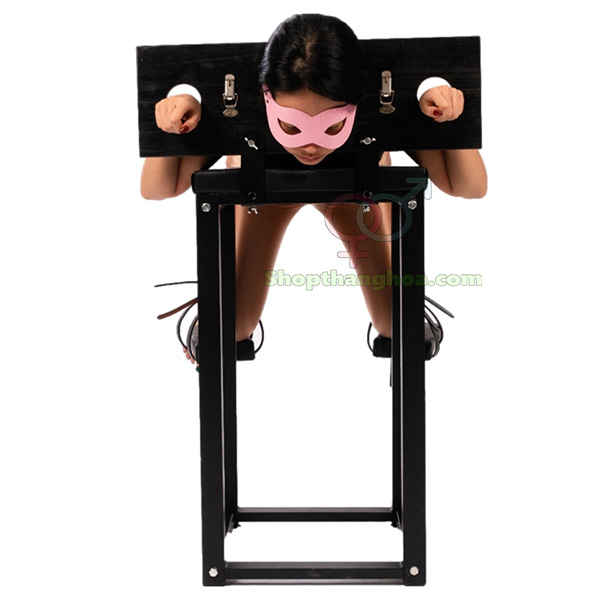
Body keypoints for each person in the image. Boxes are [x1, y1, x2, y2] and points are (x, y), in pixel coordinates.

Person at [140, 13, 487, 367]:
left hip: (356, 190)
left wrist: (447, 117)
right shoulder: (239, 110)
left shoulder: (383, 105)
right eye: (291, 127)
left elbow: (470, 186)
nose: (309, 146)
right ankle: (211, 309)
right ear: (265, 97)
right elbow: (157, 189)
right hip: (263, 190)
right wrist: (173, 122)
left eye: (332, 126)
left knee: (396, 324)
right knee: (231, 328)